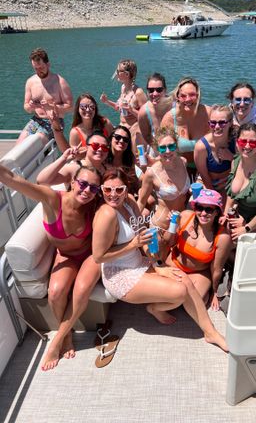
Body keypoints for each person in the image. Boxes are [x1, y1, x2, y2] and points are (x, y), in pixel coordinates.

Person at [92, 169, 228, 352]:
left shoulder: (130, 203)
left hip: (140, 262)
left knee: (184, 280)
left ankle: (211, 332)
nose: (113, 195)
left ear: (126, 189)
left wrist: (158, 266)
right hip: (120, 274)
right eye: (107, 190)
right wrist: (133, 245)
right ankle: (155, 308)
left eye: (119, 189)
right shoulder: (106, 215)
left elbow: (142, 236)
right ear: (101, 189)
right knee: (180, 291)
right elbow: (98, 256)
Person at [0, 162, 102, 370]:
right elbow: (13, 179)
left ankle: (57, 340)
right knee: (55, 292)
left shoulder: (94, 205)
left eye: (93, 188)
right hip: (66, 256)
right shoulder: (52, 199)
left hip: (91, 255)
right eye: (83, 184)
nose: (87, 190)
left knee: (80, 291)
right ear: (73, 182)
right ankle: (67, 336)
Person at [165, 189, 232, 312]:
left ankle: (201, 291)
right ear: (194, 208)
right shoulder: (185, 216)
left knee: (193, 306)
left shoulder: (223, 237)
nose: (203, 213)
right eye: (199, 208)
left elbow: (216, 268)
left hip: (198, 273)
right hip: (174, 264)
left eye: (209, 209)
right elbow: (169, 243)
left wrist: (214, 292)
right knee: (166, 296)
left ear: (217, 212)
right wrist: (173, 225)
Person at [138, 127, 190, 230]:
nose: (167, 151)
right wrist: (133, 227)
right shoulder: (151, 173)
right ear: (157, 149)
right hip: (161, 227)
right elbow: (141, 202)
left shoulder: (183, 162)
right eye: (162, 148)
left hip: (183, 224)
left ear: (176, 146)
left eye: (171, 146)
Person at [18, 48, 73, 145]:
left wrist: (50, 106)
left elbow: (70, 108)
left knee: (35, 143)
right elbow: (26, 107)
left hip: (54, 121)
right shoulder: (30, 82)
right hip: (35, 120)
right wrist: (31, 106)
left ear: (48, 64)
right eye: (36, 68)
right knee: (18, 145)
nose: (39, 71)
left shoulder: (60, 82)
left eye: (41, 67)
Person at [161, 77, 211, 176]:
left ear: (198, 95)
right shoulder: (169, 118)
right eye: (183, 96)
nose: (187, 99)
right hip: (180, 168)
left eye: (192, 95)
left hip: (208, 167)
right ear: (177, 97)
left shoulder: (209, 114)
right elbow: (161, 147)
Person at [37, 131, 111, 186]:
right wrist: (63, 159)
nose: (100, 149)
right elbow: (42, 181)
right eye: (95, 146)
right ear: (87, 147)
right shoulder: (74, 168)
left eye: (104, 148)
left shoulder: (108, 169)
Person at [194, 105, 235, 196]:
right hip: (207, 183)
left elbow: (243, 165)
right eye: (213, 123)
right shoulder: (201, 147)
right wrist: (214, 194)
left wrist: (231, 157)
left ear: (231, 123)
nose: (216, 127)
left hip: (228, 182)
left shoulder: (235, 141)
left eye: (222, 123)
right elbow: (204, 175)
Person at [227, 82, 256, 156]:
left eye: (246, 100)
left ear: (252, 103)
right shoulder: (226, 119)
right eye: (238, 99)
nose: (242, 104)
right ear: (232, 101)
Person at [138, 73, 172, 148]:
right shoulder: (143, 112)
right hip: (158, 149)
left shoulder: (175, 106)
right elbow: (147, 137)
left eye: (159, 90)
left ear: (165, 90)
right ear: (147, 91)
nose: (155, 93)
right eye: (151, 90)